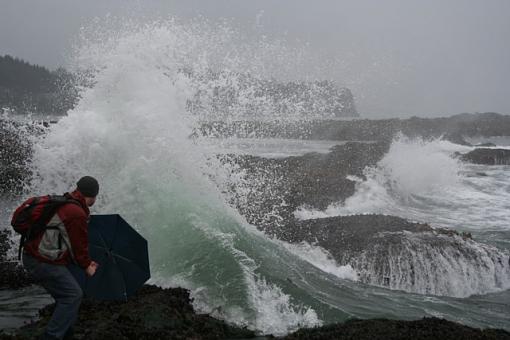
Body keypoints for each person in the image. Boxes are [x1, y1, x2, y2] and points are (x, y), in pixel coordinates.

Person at [22, 176, 100, 340]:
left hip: (34, 254)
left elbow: (66, 240)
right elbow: (78, 248)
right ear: (92, 196)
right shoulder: (76, 213)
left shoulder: (66, 202)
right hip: (40, 261)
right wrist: (87, 266)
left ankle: (66, 333)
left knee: (66, 293)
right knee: (72, 295)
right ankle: (52, 336)